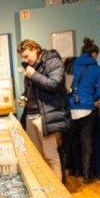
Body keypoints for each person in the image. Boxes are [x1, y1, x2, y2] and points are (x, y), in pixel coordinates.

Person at [17, 39, 71, 180]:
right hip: (31, 116)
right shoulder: (30, 67)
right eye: (23, 58)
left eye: (27, 56)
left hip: (46, 117)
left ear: (35, 49)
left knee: (50, 156)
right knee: (37, 157)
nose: (25, 60)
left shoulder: (53, 61)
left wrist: (33, 75)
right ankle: (45, 187)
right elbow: (31, 90)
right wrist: (24, 97)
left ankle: (57, 190)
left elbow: (55, 84)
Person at [64, 37, 100, 182]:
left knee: (72, 142)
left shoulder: (71, 65)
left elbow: (65, 86)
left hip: (70, 108)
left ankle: (75, 171)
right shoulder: (97, 69)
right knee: (87, 143)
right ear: (94, 54)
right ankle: (87, 176)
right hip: (87, 109)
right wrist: (91, 98)